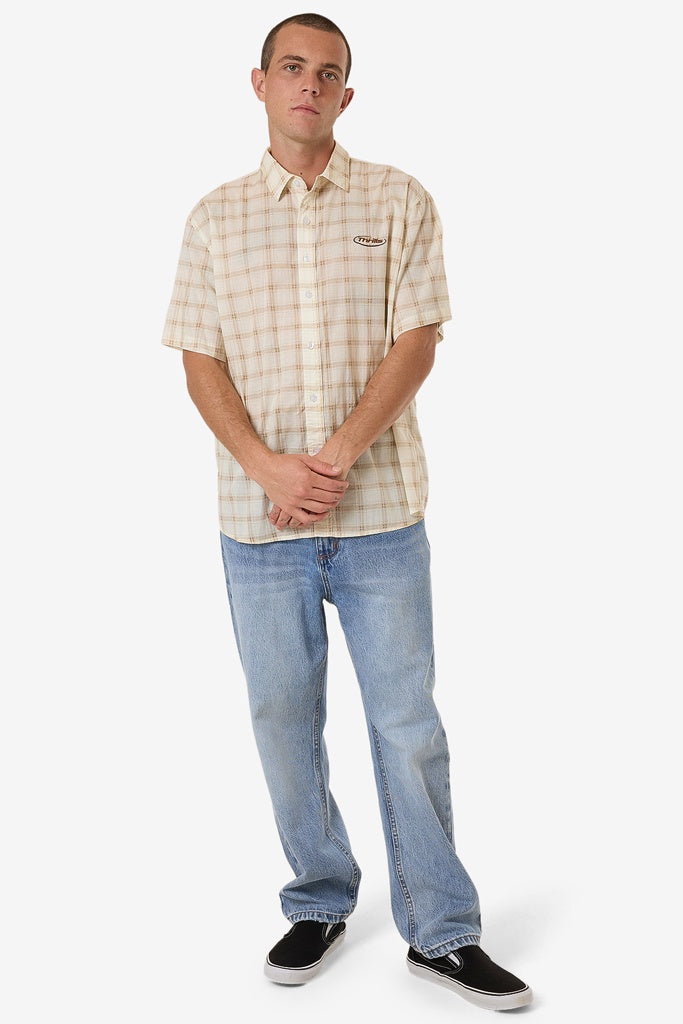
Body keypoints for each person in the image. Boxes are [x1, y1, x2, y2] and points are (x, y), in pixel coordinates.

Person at [162, 12, 532, 1012]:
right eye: (292, 68)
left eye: (328, 74)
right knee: (283, 720)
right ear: (258, 83)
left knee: (406, 723)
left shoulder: (398, 199)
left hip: (380, 519)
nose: (309, 85)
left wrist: (329, 460)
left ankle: (440, 930)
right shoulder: (213, 217)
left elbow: (416, 342)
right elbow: (198, 358)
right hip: (258, 525)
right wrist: (264, 467)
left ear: (346, 94)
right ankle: (319, 898)